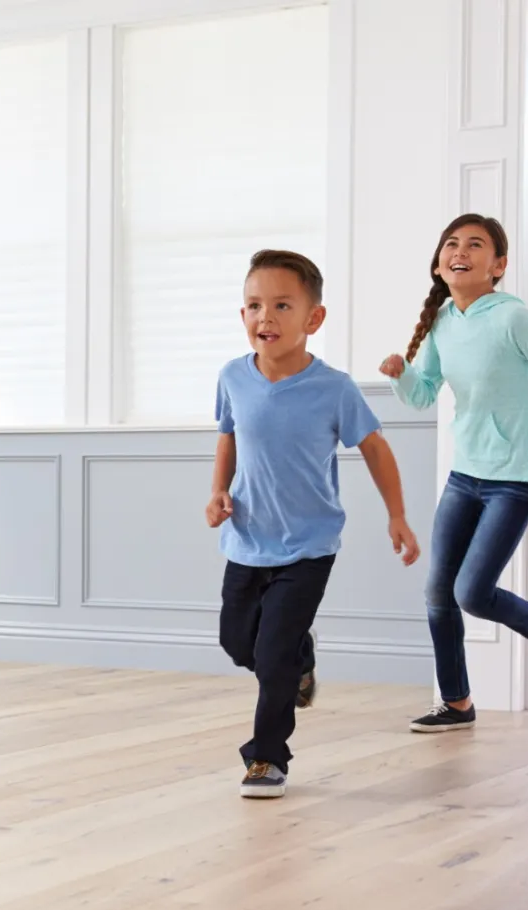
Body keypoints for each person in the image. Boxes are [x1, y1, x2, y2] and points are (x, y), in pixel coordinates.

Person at [209, 249, 420, 798]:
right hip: (247, 541)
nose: (266, 317)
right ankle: (301, 658)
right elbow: (228, 436)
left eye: (282, 305)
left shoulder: (334, 388)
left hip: (308, 546)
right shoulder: (233, 377)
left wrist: (396, 514)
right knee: (239, 644)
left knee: (272, 656)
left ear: (313, 319)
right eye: (255, 305)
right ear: (242, 315)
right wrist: (217, 493)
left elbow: (375, 448)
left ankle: (266, 758)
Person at [379, 215, 528, 733]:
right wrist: (401, 375)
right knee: (437, 594)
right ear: (439, 263)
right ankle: (456, 703)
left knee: (471, 593)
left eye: (476, 245)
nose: (461, 251)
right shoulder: (443, 321)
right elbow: (424, 393)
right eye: (452, 243)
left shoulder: (513, 319)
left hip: (516, 476)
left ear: (498, 266)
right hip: (465, 474)